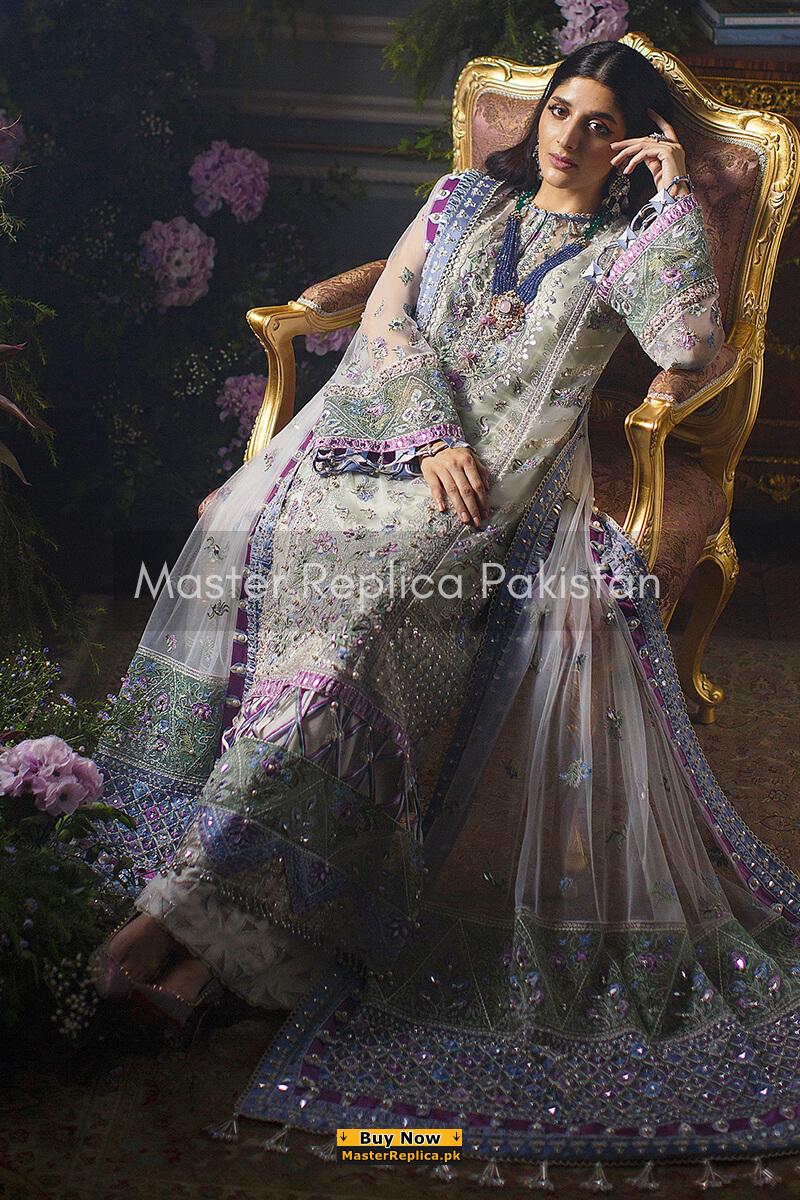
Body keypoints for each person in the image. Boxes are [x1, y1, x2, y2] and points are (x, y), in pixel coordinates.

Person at [81, 39, 800, 1180]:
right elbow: (390, 321)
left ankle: (172, 925)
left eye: (601, 124)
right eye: (559, 110)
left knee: (359, 635)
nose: (568, 137)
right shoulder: (463, 197)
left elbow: (688, 347)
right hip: (374, 443)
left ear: (629, 143)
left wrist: (671, 198)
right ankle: (205, 951)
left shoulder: (631, 241)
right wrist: (428, 439)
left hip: (501, 486)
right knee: (260, 553)